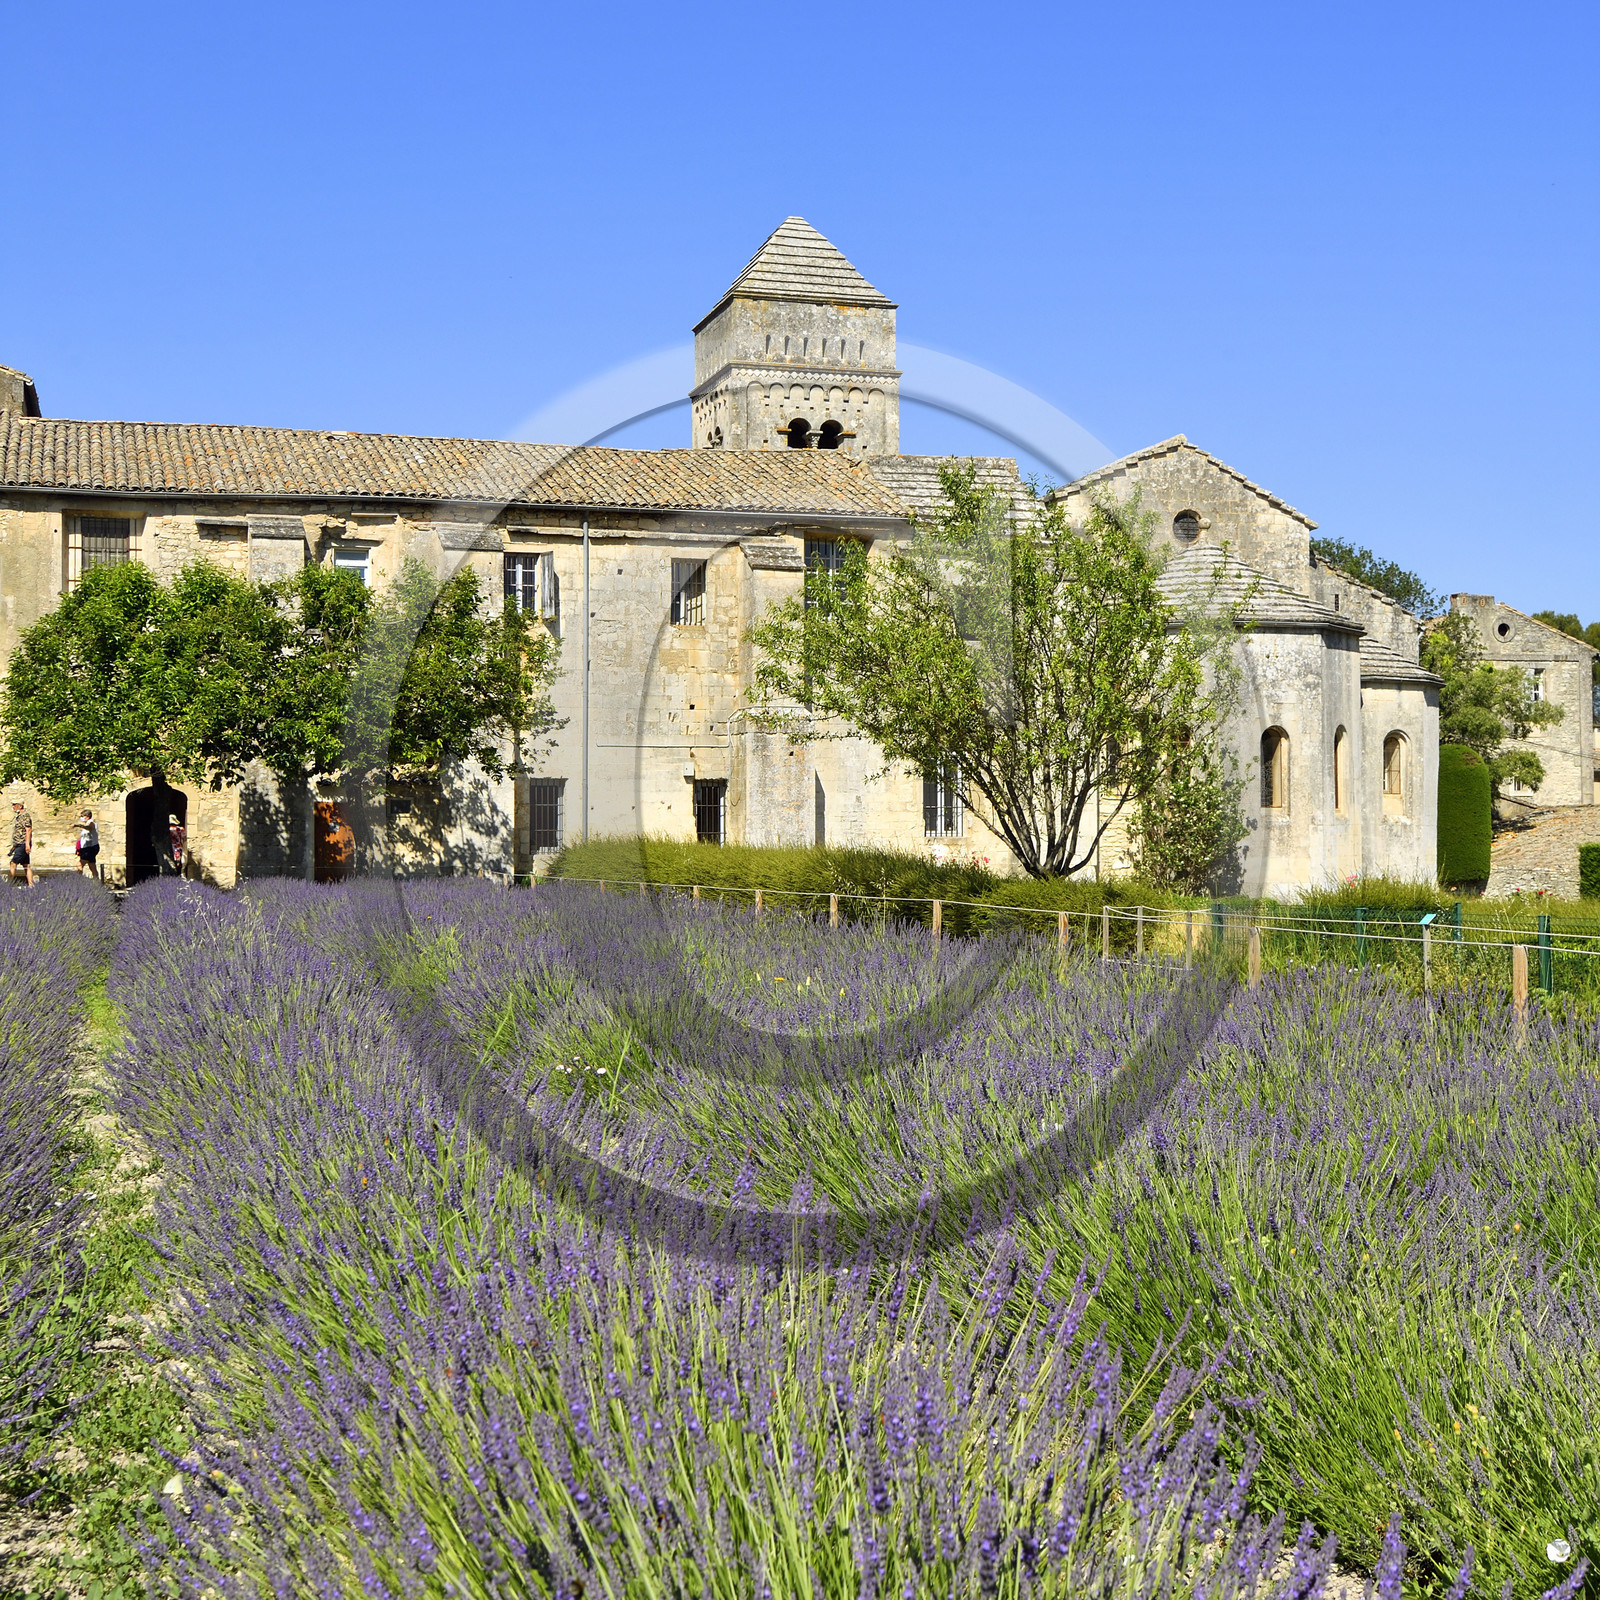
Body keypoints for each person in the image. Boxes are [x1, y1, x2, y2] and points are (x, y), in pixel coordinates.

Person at [9, 799, 33, 888]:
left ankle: (9, 884)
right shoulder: (19, 816)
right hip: (19, 844)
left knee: (13, 863)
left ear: (20, 806)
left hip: (23, 844)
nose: (13, 807)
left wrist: (27, 844)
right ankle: (31, 885)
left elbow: (28, 830)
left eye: (14, 805)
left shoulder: (25, 816)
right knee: (26, 865)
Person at [76, 809, 100, 881]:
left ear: (87, 816)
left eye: (82, 816)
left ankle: (77, 881)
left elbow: (90, 828)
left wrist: (79, 825)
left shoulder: (91, 823)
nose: (81, 818)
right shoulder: (87, 824)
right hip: (87, 848)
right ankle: (97, 882)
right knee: (92, 866)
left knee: (79, 864)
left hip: (90, 848)